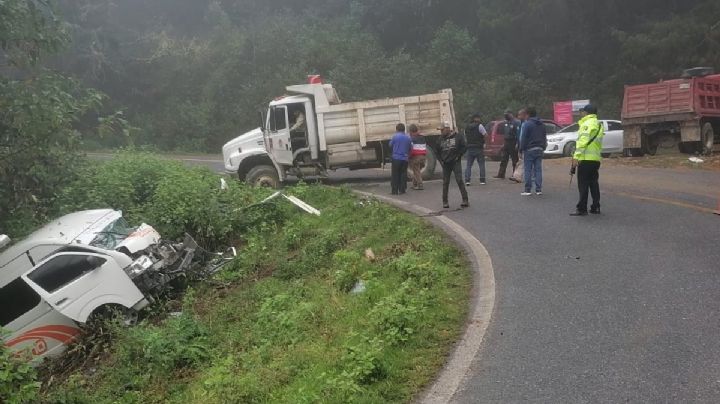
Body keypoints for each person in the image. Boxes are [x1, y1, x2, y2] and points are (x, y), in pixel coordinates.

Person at [570, 104, 604, 216]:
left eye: (582, 111)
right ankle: (595, 207)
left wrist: (576, 156)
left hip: (585, 159)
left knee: (583, 185)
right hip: (595, 159)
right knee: (594, 183)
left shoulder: (587, 124)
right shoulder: (598, 124)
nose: (581, 113)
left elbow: (582, 141)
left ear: (586, 112)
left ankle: (582, 209)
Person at [434, 121, 469, 209]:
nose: (441, 132)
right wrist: (441, 160)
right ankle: (445, 201)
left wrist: (458, 156)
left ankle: (465, 200)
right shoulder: (440, 139)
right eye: (440, 130)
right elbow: (437, 151)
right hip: (446, 163)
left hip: (455, 162)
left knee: (459, 180)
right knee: (445, 182)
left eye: (442, 130)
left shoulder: (458, 136)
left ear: (447, 129)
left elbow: (464, 147)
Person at [519, 107, 547, 196]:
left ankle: (527, 190)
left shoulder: (527, 124)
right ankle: (538, 190)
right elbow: (544, 137)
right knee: (538, 169)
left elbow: (523, 138)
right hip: (539, 149)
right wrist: (543, 147)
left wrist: (521, 149)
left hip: (529, 149)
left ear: (528, 114)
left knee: (528, 169)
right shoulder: (542, 124)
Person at [494, 110, 521, 179]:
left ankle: (515, 175)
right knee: (504, 159)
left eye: (507, 114)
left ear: (511, 114)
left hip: (513, 141)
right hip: (506, 142)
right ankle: (501, 174)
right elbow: (505, 133)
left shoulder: (516, 122)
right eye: (505, 114)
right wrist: (504, 143)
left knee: (514, 159)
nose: (506, 116)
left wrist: (517, 143)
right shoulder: (505, 122)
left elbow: (518, 134)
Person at [464, 113, 487, 185]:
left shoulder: (467, 127)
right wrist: (484, 142)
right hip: (478, 148)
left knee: (468, 165)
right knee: (481, 164)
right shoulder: (480, 126)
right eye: (479, 118)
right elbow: (486, 135)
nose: (480, 119)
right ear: (476, 119)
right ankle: (482, 180)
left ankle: (467, 180)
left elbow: (465, 137)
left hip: (470, 148)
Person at [389, 123, 412, 195]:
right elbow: (411, 148)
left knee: (395, 174)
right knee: (403, 174)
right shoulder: (408, 138)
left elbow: (390, 145)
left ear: (397, 129)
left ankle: (394, 191)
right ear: (404, 129)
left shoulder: (395, 137)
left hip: (396, 158)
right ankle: (402, 190)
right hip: (405, 158)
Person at [511, 108, 528, 183]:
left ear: (524, 115)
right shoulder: (520, 124)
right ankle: (517, 176)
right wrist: (518, 143)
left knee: (522, 162)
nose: (518, 117)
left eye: (519, 115)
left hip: (525, 146)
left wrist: (522, 145)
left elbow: (524, 136)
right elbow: (519, 135)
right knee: (521, 161)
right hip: (521, 145)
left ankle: (518, 176)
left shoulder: (526, 124)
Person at [408, 124, 427, 190]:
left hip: (416, 157)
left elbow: (411, 150)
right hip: (423, 157)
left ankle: (420, 185)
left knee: (416, 171)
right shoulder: (422, 137)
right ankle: (414, 184)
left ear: (410, 131)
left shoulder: (411, 139)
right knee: (416, 171)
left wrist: (409, 157)